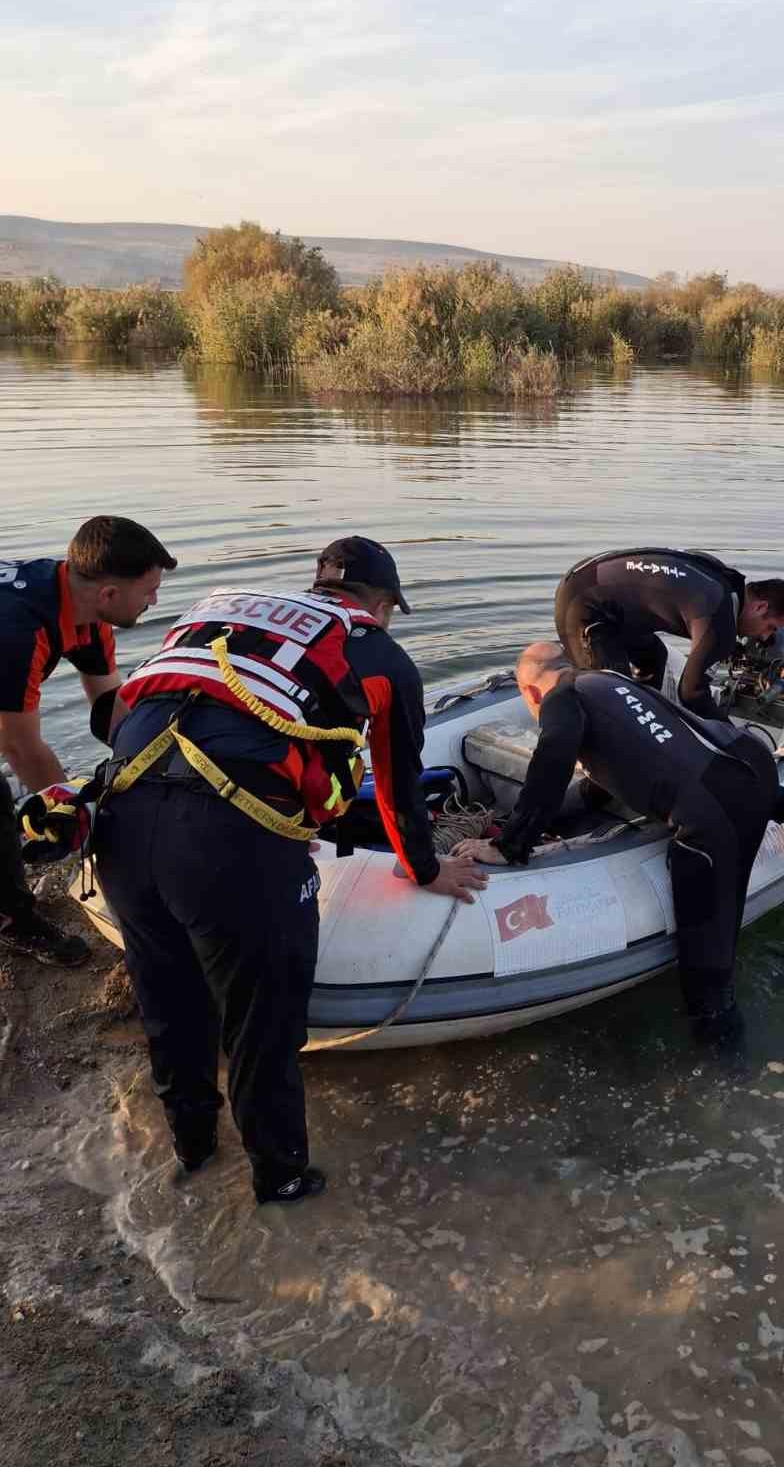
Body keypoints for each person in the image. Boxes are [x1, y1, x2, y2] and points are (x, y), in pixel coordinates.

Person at [93, 536, 487, 1207]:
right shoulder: (383, 655)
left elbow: (133, 710)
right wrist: (425, 869)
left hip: (120, 817)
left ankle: (191, 1149)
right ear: (382, 602)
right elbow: (395, 786)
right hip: (229, 843)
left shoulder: (220, 608)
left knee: (169, 1004)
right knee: (262, 1023)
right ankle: (280, 1181)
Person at [452, 642, 784, 1044]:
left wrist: (510, 845)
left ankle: (726, 1082)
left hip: (710, 815)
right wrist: (548, 815)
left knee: (707, 969)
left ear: (529, 692)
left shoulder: (560, 699)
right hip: (749, 763)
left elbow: (552, 760)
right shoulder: (605, 680)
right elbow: (618, 770)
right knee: (713, 781)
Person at [0, 516, 176, 968]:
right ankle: (13, 920)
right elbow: (21, 748)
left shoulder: (82, 609)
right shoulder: (19, 630)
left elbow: (111, 712)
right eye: (149, 591)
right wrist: (78, 820)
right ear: (110, 594)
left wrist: (162, 773)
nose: (156, 601)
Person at [554, 547, 784, 719]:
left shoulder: (724, 583)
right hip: (585, 607)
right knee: (614, 697)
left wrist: (724, 645)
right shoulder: (719, 614)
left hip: (596, 586)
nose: (766, 638)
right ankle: (599, 759)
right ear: (760, 607)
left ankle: (645, 727)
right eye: (771, 628)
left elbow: (692, 611)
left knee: (653, 657)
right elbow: (692, 694)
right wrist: (732, 738)